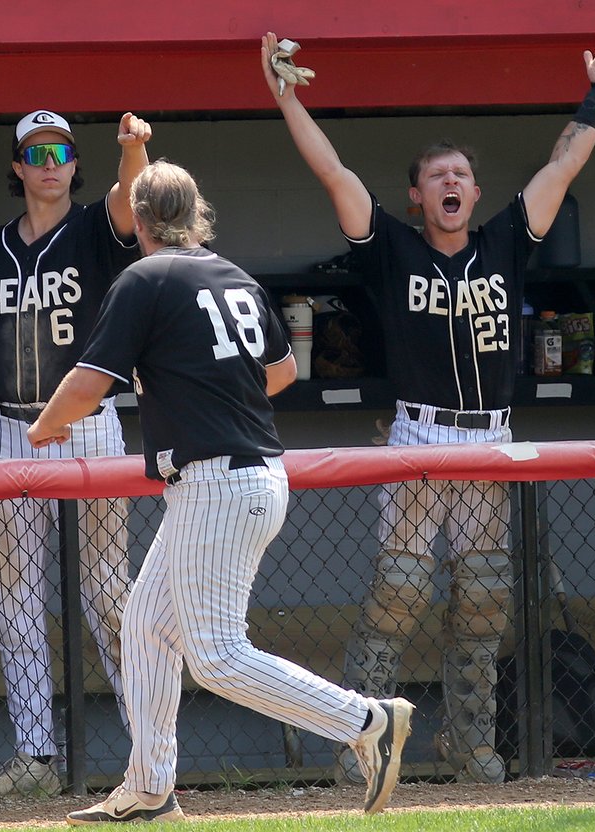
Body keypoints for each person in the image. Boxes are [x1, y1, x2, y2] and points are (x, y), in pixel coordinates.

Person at [262, 20, 595, 784]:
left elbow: (564, 163)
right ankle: (355, 742)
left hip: (489, 439)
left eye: (461, 174)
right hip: (419, 438)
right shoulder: (394, 247)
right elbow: (334, 174)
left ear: (475, 191)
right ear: (418, 194)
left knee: (485, 605)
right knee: (395, 600)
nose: (451, 184)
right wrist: (286, 99)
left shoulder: (502, 243)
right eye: (437, 176)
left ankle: (472, 744)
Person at [27, 160, 415, 822]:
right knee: (146, 626)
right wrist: (203, 391)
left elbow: (90, 383)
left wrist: (44, 426)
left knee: (216, 657)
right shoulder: (232, 274)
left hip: (219, 482)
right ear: (195, 214)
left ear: (142, 221)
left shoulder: (144, 277)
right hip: (246, 476)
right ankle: (150, 788)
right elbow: (282, 371)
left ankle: (366, 720)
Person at [0, 109, 152, 800]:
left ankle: (151, 751)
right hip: (2, 428)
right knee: (16, 599)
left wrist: (134, 149)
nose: (49, 161)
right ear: (17, 167)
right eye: (36, 152)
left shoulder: (93, 227)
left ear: (73, 162)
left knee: (108, 594)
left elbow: (129, 200)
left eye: (60, 150)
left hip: (87, 427)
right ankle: (35, 755)